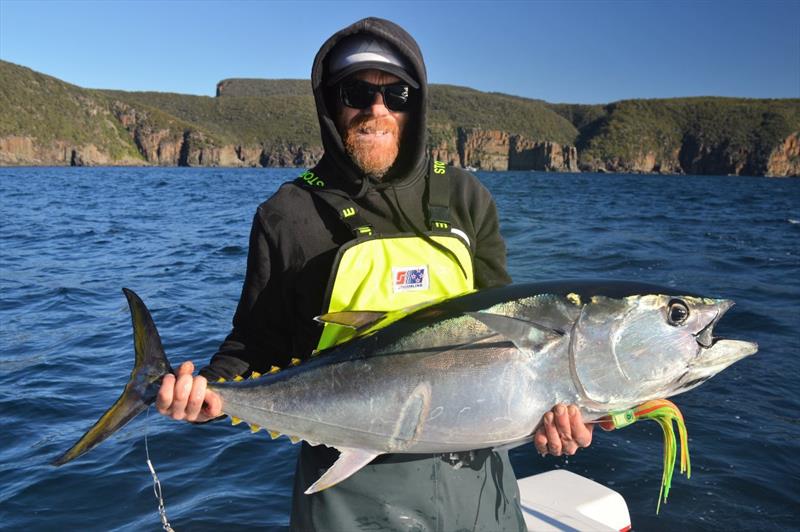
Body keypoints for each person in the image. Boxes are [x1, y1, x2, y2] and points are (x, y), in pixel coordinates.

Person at [156, 17, 595, 531]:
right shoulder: (289, 213)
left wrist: (555, 413)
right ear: (329, 102)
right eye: (356, 91)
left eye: (398, 94)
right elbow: (256, 344)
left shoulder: (464, 196)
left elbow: (508, 338)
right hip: (349, 495)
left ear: (418, 103)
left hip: (477, 487)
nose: (377, 109)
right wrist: (210, 391)